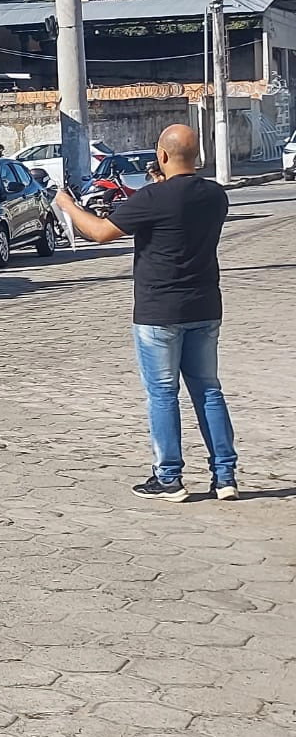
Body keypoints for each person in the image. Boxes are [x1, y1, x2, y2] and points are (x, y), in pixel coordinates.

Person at [55, 125, 237, 502]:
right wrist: (160, 183)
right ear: (198, 155)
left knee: (162, 394)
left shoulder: (153, 197)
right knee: (208, 390)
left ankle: (169, 477)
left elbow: (101, 232)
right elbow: (178, 209)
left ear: (162, 156)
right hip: (204, 306)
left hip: (159, 312)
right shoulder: (215, 195)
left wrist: (67, 205)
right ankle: (225, 477)